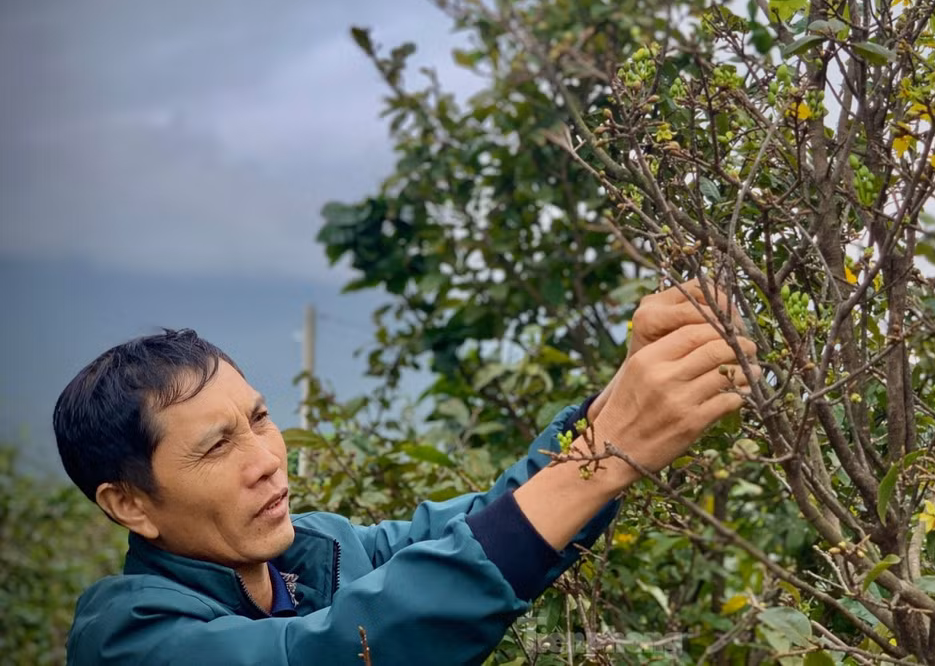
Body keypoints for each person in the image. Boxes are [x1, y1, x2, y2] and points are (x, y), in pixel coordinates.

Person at [53, 279, 757, 665]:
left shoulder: (322, 552)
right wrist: (602, 456)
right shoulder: (129, 638)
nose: (267, 460)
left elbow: (493, 524)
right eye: (216, 447)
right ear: (131, 505)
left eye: (260, 420)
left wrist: (618, 395)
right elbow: (328, 653)